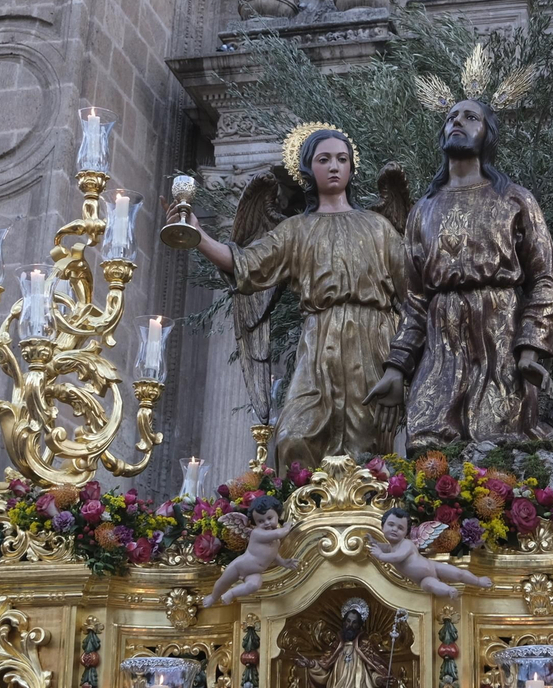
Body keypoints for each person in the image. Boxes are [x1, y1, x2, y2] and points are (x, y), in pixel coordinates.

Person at [173, 125, 409, 468]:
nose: (333, 166)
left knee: (367, 446)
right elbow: (248, 265)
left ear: (351, 168)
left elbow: (413, 290)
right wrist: (199, 236)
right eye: (324, 159)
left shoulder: (378, 226)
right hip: (319, 341)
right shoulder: (296, 229)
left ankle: (369, 517)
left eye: (342, 159)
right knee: (293, 437)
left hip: (372, 341)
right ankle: (300, 514)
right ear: (308, 169)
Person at [365, 99, 553, 447]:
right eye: (451, 117)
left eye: (471, 117)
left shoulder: (515, 200)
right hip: (441, 344)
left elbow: (546, 279)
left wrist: (530, 348)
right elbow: (414, 302)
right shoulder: (422, 212)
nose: (458, 122)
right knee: (427, 442)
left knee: (500, 447)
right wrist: (397, 366)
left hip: (499, 335)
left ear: (487, 133)